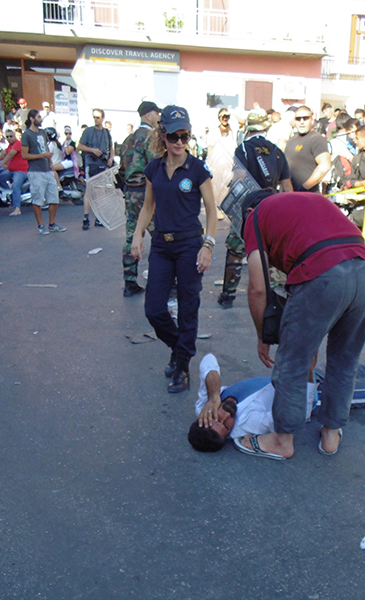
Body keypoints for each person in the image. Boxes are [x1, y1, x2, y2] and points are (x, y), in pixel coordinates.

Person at [235, 190, 365, 460]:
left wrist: (262, 336)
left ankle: (281, 440)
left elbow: (257, 288)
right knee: (345, 359)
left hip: (324, 274)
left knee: (292, 362)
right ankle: (331, 434)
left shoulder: (256, 216)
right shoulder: (305, 202)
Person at [189, 344, 365, 453]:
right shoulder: (248, 425)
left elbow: (209, 360)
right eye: (226, 426)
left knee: (355, 370)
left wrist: (214, 395)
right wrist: (308, 372)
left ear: (204, 418)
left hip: (301, 378)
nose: (226, 417)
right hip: (311, 392)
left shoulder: (208, 403)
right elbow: (296, 413)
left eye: (218, 419)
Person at [131, 105, 218, 393]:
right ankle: (179, 347)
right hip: (161, 246)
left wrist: (208, 245)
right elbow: (147, 207)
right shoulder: (153, 168)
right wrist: (137, 236)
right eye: (173, 136)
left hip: (190, 245)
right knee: (154, 309)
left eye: (185, 136)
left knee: (188, 306)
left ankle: (182, 366)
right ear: (163, 136)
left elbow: (211, 211)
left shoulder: (197, 169)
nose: (179, 142)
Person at [216, 111, 294, 310]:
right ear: (265, 128)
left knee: (235, 249)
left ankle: (228, 295)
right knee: (270, 250)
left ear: (248, 128)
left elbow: (239, 178)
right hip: (272, 207)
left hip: (250, 209)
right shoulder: (277, 151)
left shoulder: (244, 147)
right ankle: (272, 295)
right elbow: (287, 188)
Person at [119, 100, 161, 297]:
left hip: (130, 192)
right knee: (159, 235)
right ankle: (161, 279)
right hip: (147, 193)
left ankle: (130, 280)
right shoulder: (151, 138)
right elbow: (156, 166)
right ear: (148, 115)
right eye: (156, 113)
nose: (159, 117)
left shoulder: (128, 139)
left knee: (131, 235)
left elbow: (120, 170)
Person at [22, 110, 66, 235]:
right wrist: (42, 155)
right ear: (32, 119)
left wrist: (50, 161)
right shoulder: (27, 134)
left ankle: (52, 224)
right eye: (38, 117)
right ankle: (40, 225)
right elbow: (24, 155)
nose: (41, 119)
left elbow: (45, 149)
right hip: (36, 171)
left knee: (54, 198)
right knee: (38, 199)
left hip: (47, 169)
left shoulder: (42, 132)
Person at [77, 108, 114, 229]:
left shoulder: (107, 133)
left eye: (98, 117)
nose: (96, 119)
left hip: (103, 164)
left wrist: (111, 158)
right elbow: (80, 146)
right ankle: (86, 217)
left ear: (102, 118)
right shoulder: (89, 131)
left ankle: (99, 218)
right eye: (94, 117)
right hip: (91, 163)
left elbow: (111, 147)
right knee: (89, 190)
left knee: (101, 192)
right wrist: (93, 150)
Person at [284, 105, 331, 193]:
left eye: (305, 118)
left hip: (308, 196)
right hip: (290, 195)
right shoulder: (291, 140)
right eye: (298, 119)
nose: (302, 122)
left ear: (312, 120)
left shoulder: (317, 139)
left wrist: (305, 187)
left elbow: (325, 165)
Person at [0, 128, 29, 217]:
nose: (9, 138)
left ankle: (17, 208)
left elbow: (10, 154)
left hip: (20, 171)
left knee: (16, 187)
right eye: (7, 137)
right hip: (11, 171)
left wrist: (1, 164)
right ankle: (9, 194)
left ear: (15, 136)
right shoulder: (9, 146)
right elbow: (4, 154)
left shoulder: (17, 144)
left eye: (11, 136)